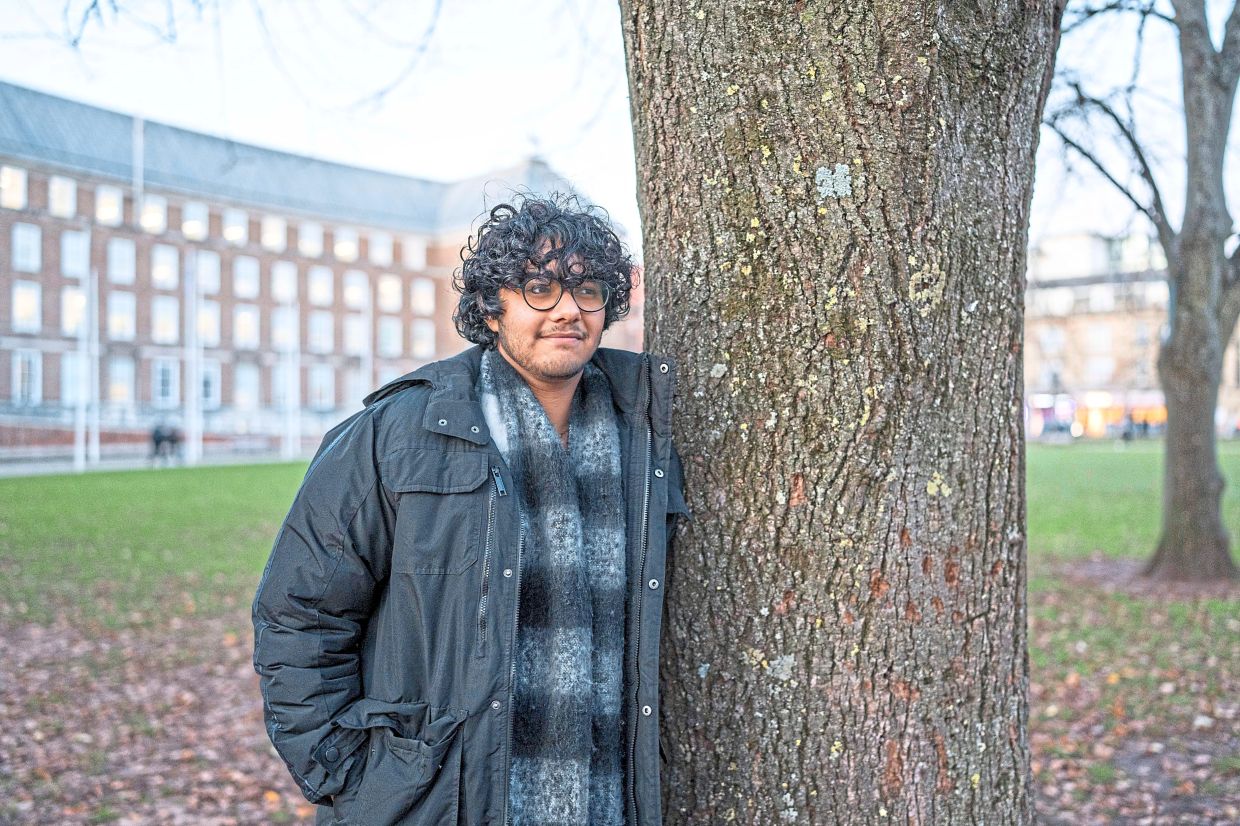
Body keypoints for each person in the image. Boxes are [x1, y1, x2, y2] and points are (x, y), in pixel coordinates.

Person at [252, 194, 688, 826]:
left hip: (607, 801)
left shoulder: (641, 440)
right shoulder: (399, 432)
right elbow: (298, 611)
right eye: (540, 287)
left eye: (587, 289)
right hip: (442, 803)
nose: (568, 309)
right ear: (492, 306)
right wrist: (348, 773)